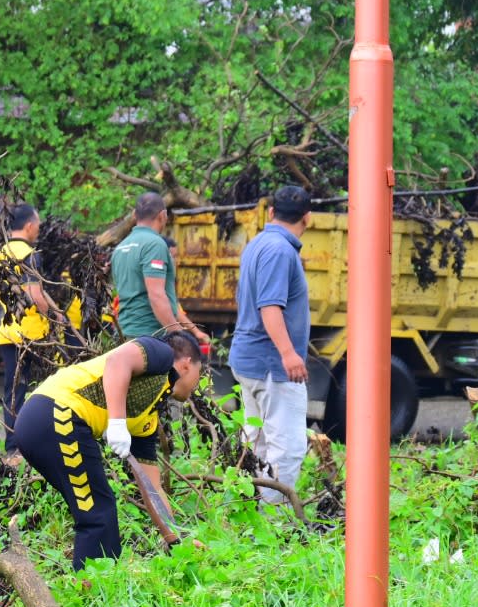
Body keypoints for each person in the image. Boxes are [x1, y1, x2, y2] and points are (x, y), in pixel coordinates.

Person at [16, 332, 205, 568]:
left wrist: (178, 540)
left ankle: (98, 585)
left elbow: (152, 488)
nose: (198, 384)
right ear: (187, 363)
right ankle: (93, 592)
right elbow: (118, 361)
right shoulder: (162, 354)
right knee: (97, 514)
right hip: (55, 412)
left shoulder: (147, 419)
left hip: (47, 422)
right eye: (200, 372)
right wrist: (116, 422)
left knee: (98, 509)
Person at [229, 185, 313, 501]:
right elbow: (269, 306)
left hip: (250, 359)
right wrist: (289, 354)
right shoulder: (280, 251)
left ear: (271, 212)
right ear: (308, 217)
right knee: (287, 449)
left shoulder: (257, 244)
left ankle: (253, 517)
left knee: (259, 444)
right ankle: (274, 525)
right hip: (272, 366)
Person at [110, 193, 209, 345]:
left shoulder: (120, 247)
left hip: (124, 333)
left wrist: (192, 331)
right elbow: (156, 295)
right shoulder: (154, 244)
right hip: (151, 336)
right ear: (163, 215)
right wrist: (178, 335)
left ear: (135, 215)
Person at [0, 203, 52, 454]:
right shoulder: (28, 253)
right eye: (37, 225)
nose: (38, 230)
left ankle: (14, 443)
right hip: (29, 333)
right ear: (29, 225)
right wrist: (54, 316)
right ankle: (21, 444)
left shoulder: (3, 252)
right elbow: (35, 294)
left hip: (7, 331)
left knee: (13, 389)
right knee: (35, 388)